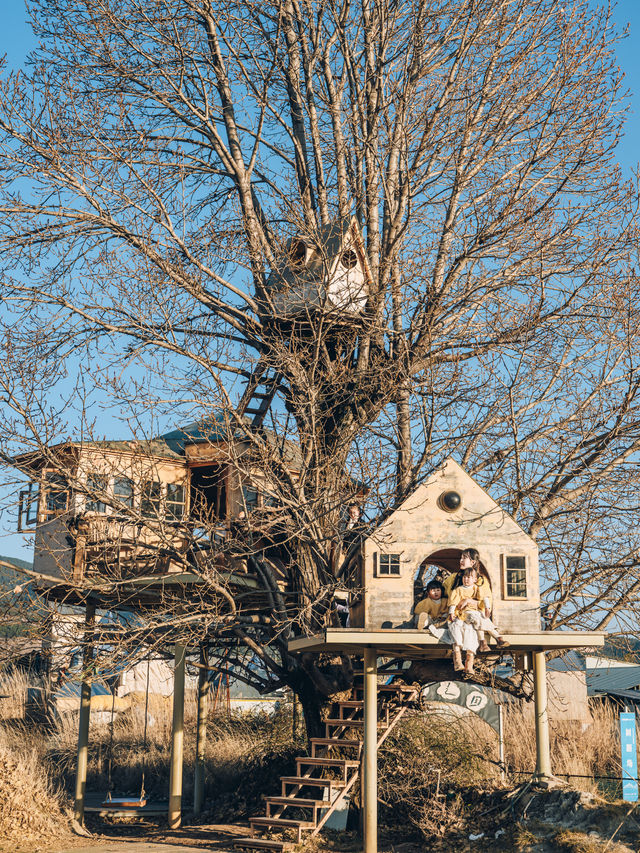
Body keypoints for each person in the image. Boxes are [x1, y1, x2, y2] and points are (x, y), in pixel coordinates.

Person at [448, 566, 509, 674]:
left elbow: (484, 598)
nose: (466, 579)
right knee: (477, 618)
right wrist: (451, 612)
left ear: (475, 579)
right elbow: (453, 602)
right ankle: (494, 639)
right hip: (465, 613)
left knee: (484, 619)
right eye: (465, 577)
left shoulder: (477, 588)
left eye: (469, 577)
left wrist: (486, 608)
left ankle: (497, 639)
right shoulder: (459, 589)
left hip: (477, 611)